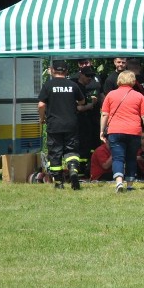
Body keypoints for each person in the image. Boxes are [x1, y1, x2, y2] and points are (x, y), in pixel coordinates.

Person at [100, 70, 144, 193]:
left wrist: (102, 131)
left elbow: (104, 114)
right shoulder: (139, 96)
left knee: (117, 158)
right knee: (131, 158)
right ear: (133, 81)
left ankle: (119, 182)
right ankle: (129, 184)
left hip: (115, 130)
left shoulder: (111, 95)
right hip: (133, 131)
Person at [38, 59, 86, 190]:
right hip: (71, 123)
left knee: (55, 152)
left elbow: (41, 104)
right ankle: (73, 171)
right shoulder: (73, 85)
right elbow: (82, 101)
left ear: (53, 71)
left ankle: (59, 182)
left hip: (54, 124)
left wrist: (41, 118)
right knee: (72, 150)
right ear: (66, 71)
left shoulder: (48, 85)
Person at [75, 66, 102, 175]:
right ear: (81, 74)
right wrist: (91, 105)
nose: (90, 78)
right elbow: (79, 108)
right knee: (82, 146)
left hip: (89, 121)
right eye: (87, 76)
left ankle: (88, 166)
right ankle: (81, 168)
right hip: (79, 122)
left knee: (89, 145)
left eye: (91, 76)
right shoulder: (77, 87)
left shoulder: (83, 87)